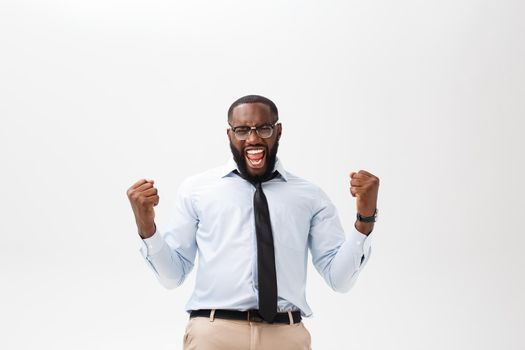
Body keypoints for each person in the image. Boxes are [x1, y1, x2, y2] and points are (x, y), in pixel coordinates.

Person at [126, 95, 380, 350]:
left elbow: (340, 280)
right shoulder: (196, 190)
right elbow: (172, 276)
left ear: (278, 131)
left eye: (264, 128)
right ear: (229, 134)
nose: (254, 138)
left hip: (285, 337)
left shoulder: (310, 196)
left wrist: (365, 219)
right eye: (242, 130)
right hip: (214, 334)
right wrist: (147, 228)